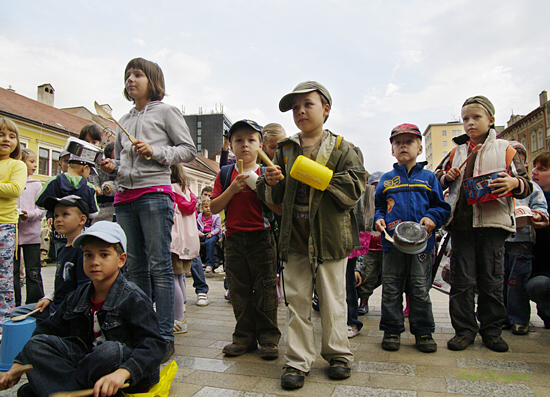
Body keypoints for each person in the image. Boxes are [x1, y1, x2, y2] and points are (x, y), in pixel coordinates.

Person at [257, 81, 367, 389]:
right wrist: (271, 180)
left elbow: (355, 187)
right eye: (295, 107)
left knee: (334, 300)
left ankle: (339, 354)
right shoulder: (284, 149)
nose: (301, 111)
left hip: (331, 238)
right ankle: (297, 361)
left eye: (308, 104)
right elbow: (272, 197)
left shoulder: (344, 148)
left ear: (326, 109)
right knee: (296, 302)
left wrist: (312, 173)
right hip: (294, 238)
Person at [99, 57, 197, 363]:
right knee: (135, 268)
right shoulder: (124, 121)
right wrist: (110, 166)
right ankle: (144, 331)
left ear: (152, 80)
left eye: (138, 74)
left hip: (155, 193)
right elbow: (121, 165)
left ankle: (165, 335)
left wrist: (156, 151)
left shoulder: (167, 112)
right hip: (125, 197)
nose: (131, 79)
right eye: (127, 75)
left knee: (160, 266)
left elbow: (188, 150)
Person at [0, 221, 165, 397]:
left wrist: (124, 372)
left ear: (121, 260)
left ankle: (57, 388)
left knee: (108, 351)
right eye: (88, 255)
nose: (95, 262)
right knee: (35, 346)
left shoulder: (133, 298)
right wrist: (17, 366)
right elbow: (46, 331)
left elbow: (154, 345)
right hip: (87, 366)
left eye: (104, 255)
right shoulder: (78, 296)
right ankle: (75, 391)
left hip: (122, 374)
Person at [441, 96, 532, 352]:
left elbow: (526, 184)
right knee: (462, 282)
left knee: (492, 281)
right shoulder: (456, 151)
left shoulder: (507, 148)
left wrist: (514, 184)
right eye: (465, 119)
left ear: (491, 120)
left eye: (476, 117)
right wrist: (446, 177)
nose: (470, 123)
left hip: (493, 226)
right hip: (461, 226)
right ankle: (464, 331)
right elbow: (436, 180)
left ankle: (491, 331)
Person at [374, 123, 451, 353]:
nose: (403, 146)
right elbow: (379, 208)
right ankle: (391, 330)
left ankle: (424, 331)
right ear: (392, 150)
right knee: (391, 288)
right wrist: (378, 220)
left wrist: (431, 218)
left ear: (419, 148)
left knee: (419, 288)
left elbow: (442, 207)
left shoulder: (428, 178)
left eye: (409, 142)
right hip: (392, 245)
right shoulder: (386, 180)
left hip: (422, 246)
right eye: (398, 142)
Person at [210, 119, 281, 361]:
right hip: (233, 238)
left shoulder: (266, 172)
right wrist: (232, 189)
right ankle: (244, 337)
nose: (245, 145)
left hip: (261, 238)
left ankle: (269, 337)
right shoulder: (225, 173)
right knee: (239, 290)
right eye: (238, 140)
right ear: (230, 145)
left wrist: (262, 187)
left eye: (251, 140)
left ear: (260, 144)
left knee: (266, 289)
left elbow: (278, 209)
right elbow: (212, 207)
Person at [11, 195, 91, 324]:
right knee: (16, 313)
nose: (58, 220)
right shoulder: (63, 250)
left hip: (68, 311)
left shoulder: (83, 252)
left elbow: (84, 289)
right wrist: (48, 298)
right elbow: (59, 285)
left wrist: (61, 312)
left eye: (65, 214)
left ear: (82, 220)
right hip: (54, 305)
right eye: (56, 216)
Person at [502, 142, 548, 335]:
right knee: (499, 280)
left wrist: (537, 215)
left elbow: (541, 208)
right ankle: (501, 317)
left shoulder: (532, 186)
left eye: (519, 161)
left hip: (522, 241)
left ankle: (519, 319)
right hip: (501, 239)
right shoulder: (499, 183)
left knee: (517, 282)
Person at [0, 118, 26, 332]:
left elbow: (14, 189)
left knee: (3, 278)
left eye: (11, 135)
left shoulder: (16, 164)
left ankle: (3, 323)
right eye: (1, 134)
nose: (6, 139)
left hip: (4, 226)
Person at [170, 164, 200, 334]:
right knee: (179, 276)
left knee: (172, 278)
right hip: (187, 242)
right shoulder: (187, 192)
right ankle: (181, 309)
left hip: (175, 241)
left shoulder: (169, 191)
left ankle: (178, 318)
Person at [14, 149, 46, 306]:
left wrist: (29, 214)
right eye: (31, 161)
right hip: (12, 236)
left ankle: (34, 304)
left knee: (33, 272)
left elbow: (41, 210)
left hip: (31, 234)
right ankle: (14, 304)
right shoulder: (12, 182)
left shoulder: (37, 185)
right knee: (13, 272)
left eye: (36, 161)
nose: (35, 165)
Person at [36, 154, 99, 227]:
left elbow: (40, 204)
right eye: (89, 171)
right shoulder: (89, 187)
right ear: (85, 168)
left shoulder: (53, 181)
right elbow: (94, 214)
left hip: (58, 229)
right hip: (79, 229)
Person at [527, 151, 550, 329]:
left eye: (541, 169)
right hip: (540, 270)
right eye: (534, 167)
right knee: (538, 285)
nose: (534, 172)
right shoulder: (528, 198)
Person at [357, 171, 384, 314]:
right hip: (370, 247)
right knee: (368, 275)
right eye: (375, 186)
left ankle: (390, 305)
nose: (377, 189)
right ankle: (363, 301)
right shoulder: (365, 199)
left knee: (390, 278)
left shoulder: (388, 200)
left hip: (387, 246)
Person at [79, 124, 116, 223]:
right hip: (85, 211)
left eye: (94, 142)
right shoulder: (77, 164)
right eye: (86, 142)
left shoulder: (104, 164)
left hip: (107, 211)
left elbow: (115, 183)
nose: (90, 144)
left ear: (99, 143)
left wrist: (106, 188)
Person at [197, 198, 221, 273]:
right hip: (203, 233)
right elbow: (195, 228)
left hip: (213, 234)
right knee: (195, 241)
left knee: (209, 242)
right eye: (206, 207)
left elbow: (218, 228)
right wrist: (199, 233)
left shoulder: (216, 216)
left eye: (210, 207)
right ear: (202, 208)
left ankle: (209, 263)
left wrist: (212, 233)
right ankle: (196, 262)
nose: (208, 209)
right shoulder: (199, 217)